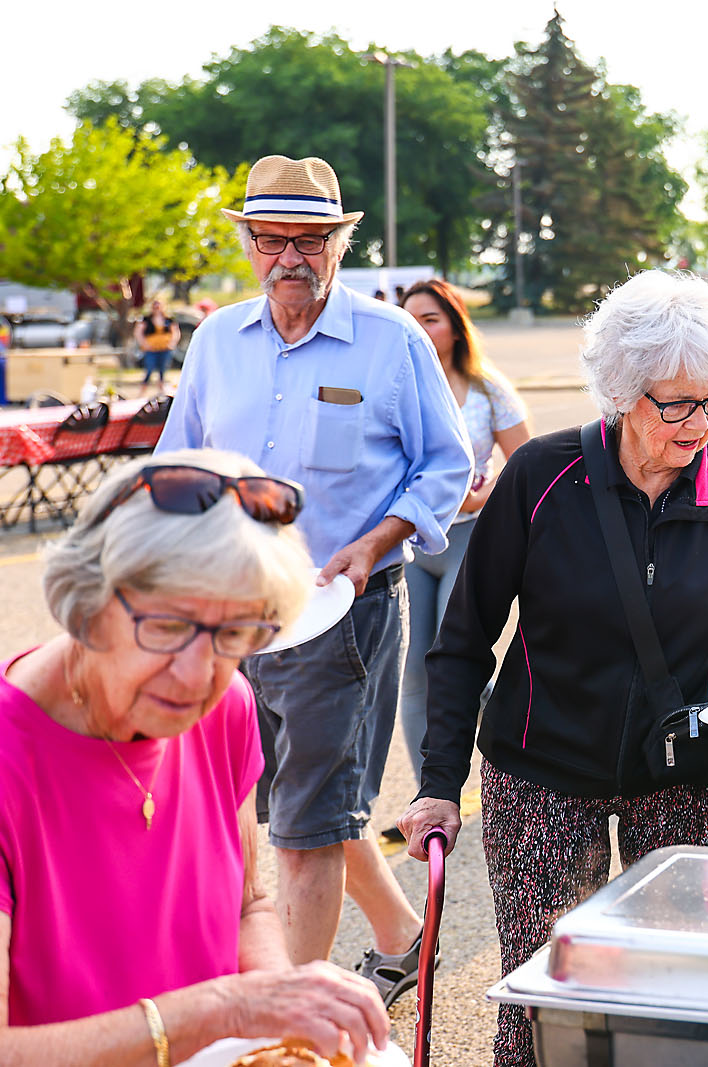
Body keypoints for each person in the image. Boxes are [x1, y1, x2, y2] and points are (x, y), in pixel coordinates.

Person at [396, 270, 708, 1066]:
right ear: (622, 393)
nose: (701, 422)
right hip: (546, 766)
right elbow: (464, 639)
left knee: (677, 991)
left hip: (690, 769)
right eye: (676, 403)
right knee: (549, 986)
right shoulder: (542, 477)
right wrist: (439, 784)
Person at [157, 156, 472, 1002]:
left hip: (343, 614)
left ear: (339, 242)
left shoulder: (391, 339)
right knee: (286, 804)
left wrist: (374, 544)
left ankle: (290, 1020)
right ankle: (409, 934)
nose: (288, 256)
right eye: (271, 238)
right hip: (233, 615)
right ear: (249, 243)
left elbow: (446, 465)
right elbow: (175, 465)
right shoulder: (217, 339)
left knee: (301, 828)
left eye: (309, 239)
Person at [0, 450, 388, 1064]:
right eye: (166, 625)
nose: (195, 674)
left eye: (235, 633)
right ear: (87, 603)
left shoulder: (223, 708)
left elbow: (247, 905)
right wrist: (226, 1011)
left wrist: (277, 1020)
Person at [395, 279, 532, 787]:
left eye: (430, 318)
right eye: (411, 319)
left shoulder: (486, 387)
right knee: (414, 675)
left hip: (467, 538)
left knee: (460, 663)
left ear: (454, 325)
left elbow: (524, 462)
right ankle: (424, 791)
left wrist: (482, 493)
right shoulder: (395, 381)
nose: (421, 329)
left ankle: (514, 753)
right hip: (408, 542)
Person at [135, 298, 180, 397]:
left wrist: (172, 343)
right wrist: (144, 344)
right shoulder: (146, 319)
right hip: (151, 348)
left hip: (164, 348)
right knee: (149, 368)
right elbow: (138, 332)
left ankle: (161, 390)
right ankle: (143, 390)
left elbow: (175, 332)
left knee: (163, 369)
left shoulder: (168, 319)